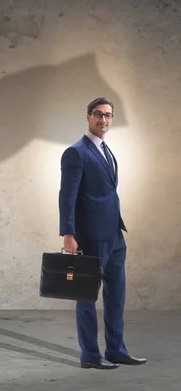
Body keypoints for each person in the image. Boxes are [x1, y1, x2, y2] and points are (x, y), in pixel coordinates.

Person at [59, 97, 146, 369]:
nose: (104, 120)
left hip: (114, 236)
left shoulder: (107, 150)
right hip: (90, 237)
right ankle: (90, 356)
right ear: (88, 116)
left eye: (108, 115)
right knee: (86, 297)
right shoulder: (76, 152)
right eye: (98, 114)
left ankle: (116, 350)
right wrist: (68, 234)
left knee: (116, 296)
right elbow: (67, 197)